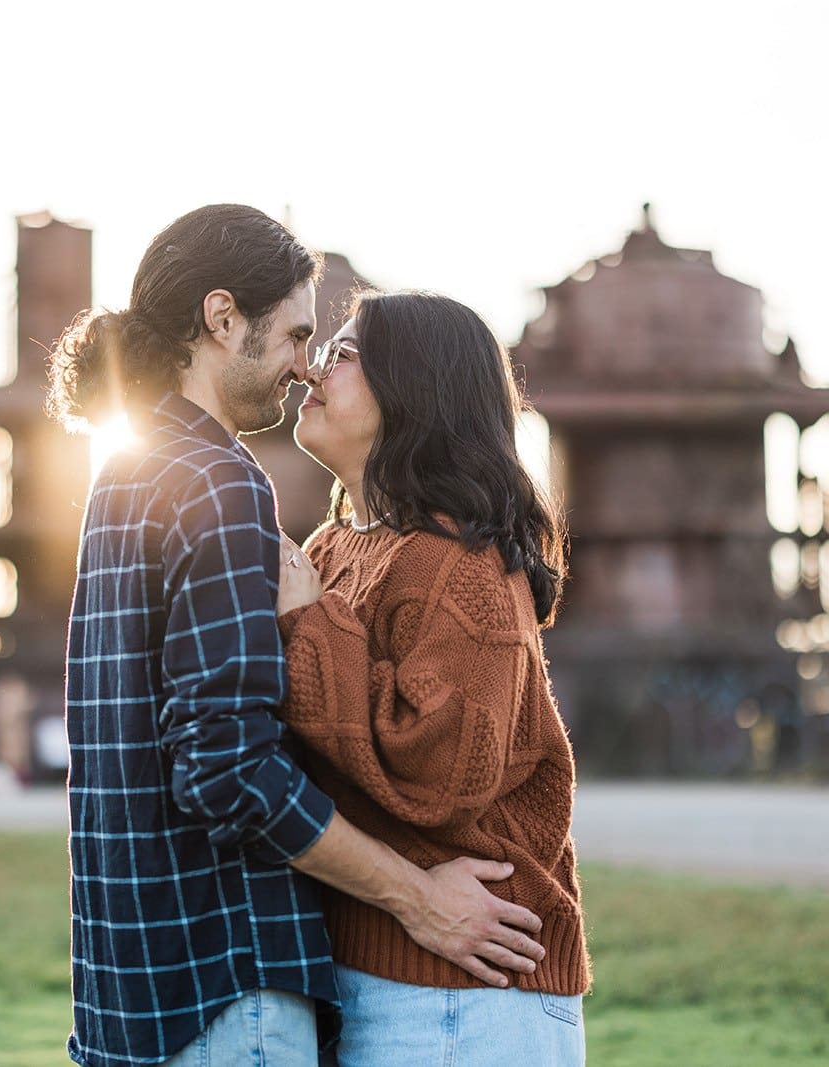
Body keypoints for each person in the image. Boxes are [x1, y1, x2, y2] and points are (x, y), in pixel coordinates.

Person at [47, 206, 546, 1067]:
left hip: (128, 990)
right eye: (298, 335)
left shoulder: (122, 475)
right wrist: (417, 897)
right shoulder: (221, 482)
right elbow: (230, 768)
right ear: (222, 317)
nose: (302, 368)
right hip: (222, 977)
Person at [276, 291, 590, 1065]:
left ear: (412, 389)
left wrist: (309, 626)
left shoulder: (460, 564)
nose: (314, 368)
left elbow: (440, 773)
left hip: (466, 993)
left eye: (344, 354)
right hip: (392, 974)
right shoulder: (333, 548)